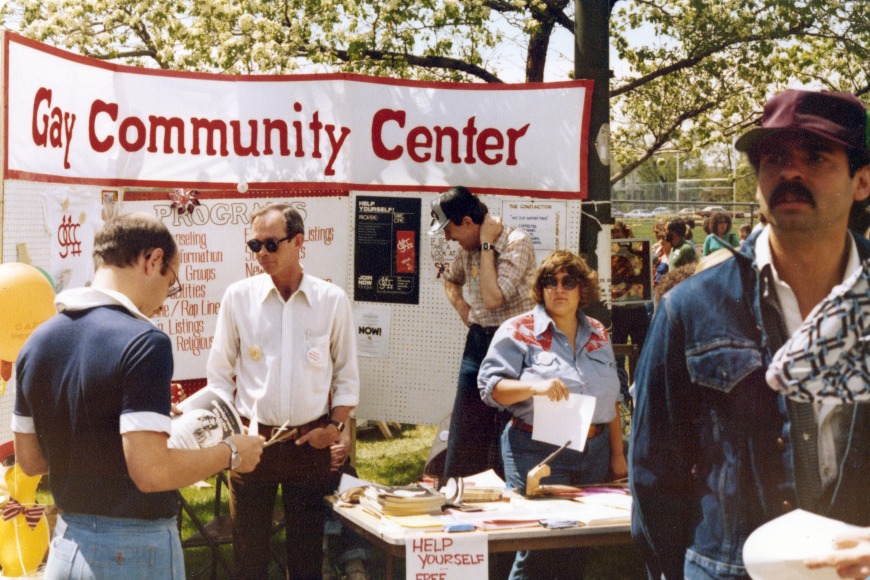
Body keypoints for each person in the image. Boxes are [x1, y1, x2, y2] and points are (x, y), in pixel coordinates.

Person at [629, 89, 870, 580]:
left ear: (862, 181)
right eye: (773, 158)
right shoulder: (690, 306)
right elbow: (655, 477)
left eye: (816, 156)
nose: (790, 173)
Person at [12, 213, 264, 580]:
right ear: (153, 261)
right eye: (171, 282)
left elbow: (31, 460)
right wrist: (233, 452)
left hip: (65, 547)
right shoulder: (145, 342)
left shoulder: (36, 341)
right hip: (135, 550)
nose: (165, 301)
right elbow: (150, 472)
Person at [208, 203, 360, 580]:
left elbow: (347, 376)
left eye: (271, 245)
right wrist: (231, 434)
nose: (262, 254)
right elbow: (219, 375)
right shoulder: (238, 298)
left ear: (298, 242)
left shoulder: (331, 300)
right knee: (248, 555)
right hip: (251, 443)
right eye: (254, 245)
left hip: (310, 443)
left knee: (307, 556)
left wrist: (335, 429)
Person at [478, 250, 626, 580]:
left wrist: (617, 455)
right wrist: (535, 388)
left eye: (568, 282)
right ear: (540, 289)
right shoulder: (518, 330)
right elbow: (490, 388)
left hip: (594, 452)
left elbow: (611, 398)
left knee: (578, 545)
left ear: (581, 289)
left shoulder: (599, 331)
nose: (558, 289)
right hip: (538, 449)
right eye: (550, 282)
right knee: (539, 546)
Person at [431, 186, 537, 480]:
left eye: (449, 230)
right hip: (479, 341)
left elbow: (493, 298)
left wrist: (488, 244)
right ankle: (456, 499)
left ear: (467, 222)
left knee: (509, 427)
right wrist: (464, 309)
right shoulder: (467, 250)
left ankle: (509, 499)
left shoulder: (517, 241)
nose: (448, 238)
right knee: (465, 429)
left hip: (517, 344)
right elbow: (450, 281)